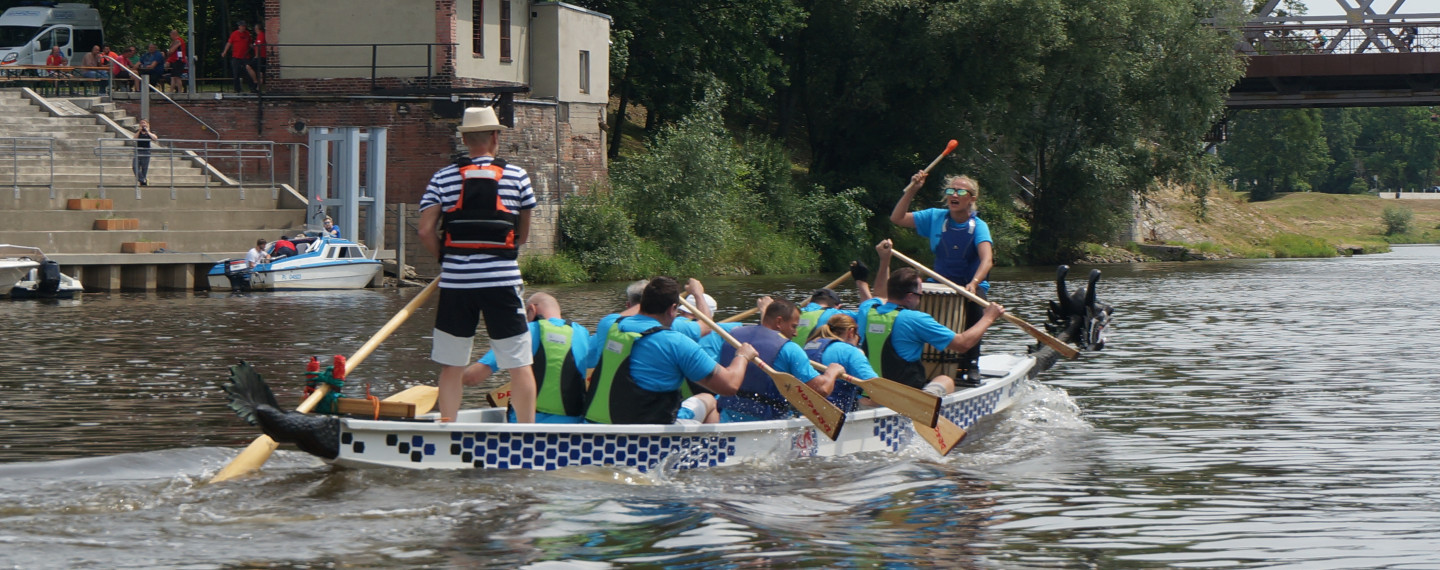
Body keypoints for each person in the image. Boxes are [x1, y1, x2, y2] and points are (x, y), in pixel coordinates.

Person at [418, 105, 537, 423]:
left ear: (465, 139)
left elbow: (425, 230)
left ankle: (447, 426)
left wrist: (446, 258)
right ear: (495, 137)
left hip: (457, 283)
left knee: (451, 364)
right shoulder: (518, 177)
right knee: (519, 363)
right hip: (501, 281)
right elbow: (522, 236)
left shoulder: (442, 178)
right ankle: (527, 436)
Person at [584, 276, 758, 425]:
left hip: (598, 426)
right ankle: (706, 460)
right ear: (672, 309)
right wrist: (742, 355)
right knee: (709, 399)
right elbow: (729, 386)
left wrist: (653, 290)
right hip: (646, 435)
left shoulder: (610, 325)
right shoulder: (676, 342)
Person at [857, 243, 1005, 394]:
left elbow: (880, 295)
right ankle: (927, 405)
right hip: (901, 400)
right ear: (909, 297)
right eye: (920, 295)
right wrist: (988, 317)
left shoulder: (866, 311)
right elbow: (962, 344)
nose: (920, 299)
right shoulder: (914, 319)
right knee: (945, 380)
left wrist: (884, 260)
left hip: (867, 397)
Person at [889, 172, 993, 384]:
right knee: (909, 299)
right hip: (939, 281)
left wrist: (973, 283)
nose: (954, 194)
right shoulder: (935, 217)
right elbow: (897, 218)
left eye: (961, 191)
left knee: (974, 303)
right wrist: (913, 190)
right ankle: (910, 359)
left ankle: (971, 363)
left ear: (972, 198)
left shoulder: (979, 226)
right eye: (950, 190)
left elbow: (987, 260)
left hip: (969, 284)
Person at [463, 293, 591, 423]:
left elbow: (473, 377)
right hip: (573, 429)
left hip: (527, 429)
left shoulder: (524, 332)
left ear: (531, 309)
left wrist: (451, 380)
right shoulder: (583, 334)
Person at [715, 297, 845, 422]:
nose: (795, 333)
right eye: (793, 326)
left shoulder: (732, 337)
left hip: (727, 418)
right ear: (779, 322)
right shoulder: (789, 349)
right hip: (768, 423)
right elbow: (821, 389)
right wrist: (832, 371)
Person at [803, 314, 877, 412]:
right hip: (837, 414)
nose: (858, 341)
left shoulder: (808, 347)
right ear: (851, 332)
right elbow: (875, 386)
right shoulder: (850, 352)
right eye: (858, 337)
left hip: (807, 411)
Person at [221, 21, 258, 93]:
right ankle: (237, 89)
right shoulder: (234, 34)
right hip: (236, 57)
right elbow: (229, 43)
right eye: (242, 26)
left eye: (244, 26)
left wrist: (255, 48)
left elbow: (250, 43)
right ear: (239, 26)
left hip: (246, 57)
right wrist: (225, 51)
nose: (243, 27)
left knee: (248, 72)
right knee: (236, 74)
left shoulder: (247, 34)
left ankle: (252, 88)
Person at [132, 120, 158, 186]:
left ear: (147, 124)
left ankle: (143, 182)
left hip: (146, 151)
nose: (143, 124)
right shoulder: (138, 132)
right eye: (141, 123)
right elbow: (134, 138)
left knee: (144, 168)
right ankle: (143, 179)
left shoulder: (149, 132)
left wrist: (147, 131)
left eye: (144, 123)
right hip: (138, 150)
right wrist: (139, 131)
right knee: (135, 166)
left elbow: (155, 138)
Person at [252, 22, 267, 90]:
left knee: (248, 66)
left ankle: (256, 82)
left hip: (260, 57)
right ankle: (258, 87)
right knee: (260, 72)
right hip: (261, 56)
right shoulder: (259, 36)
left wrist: (256, 56)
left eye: (255, 28)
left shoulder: (261, 35)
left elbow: (259, 46)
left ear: (257, 29)